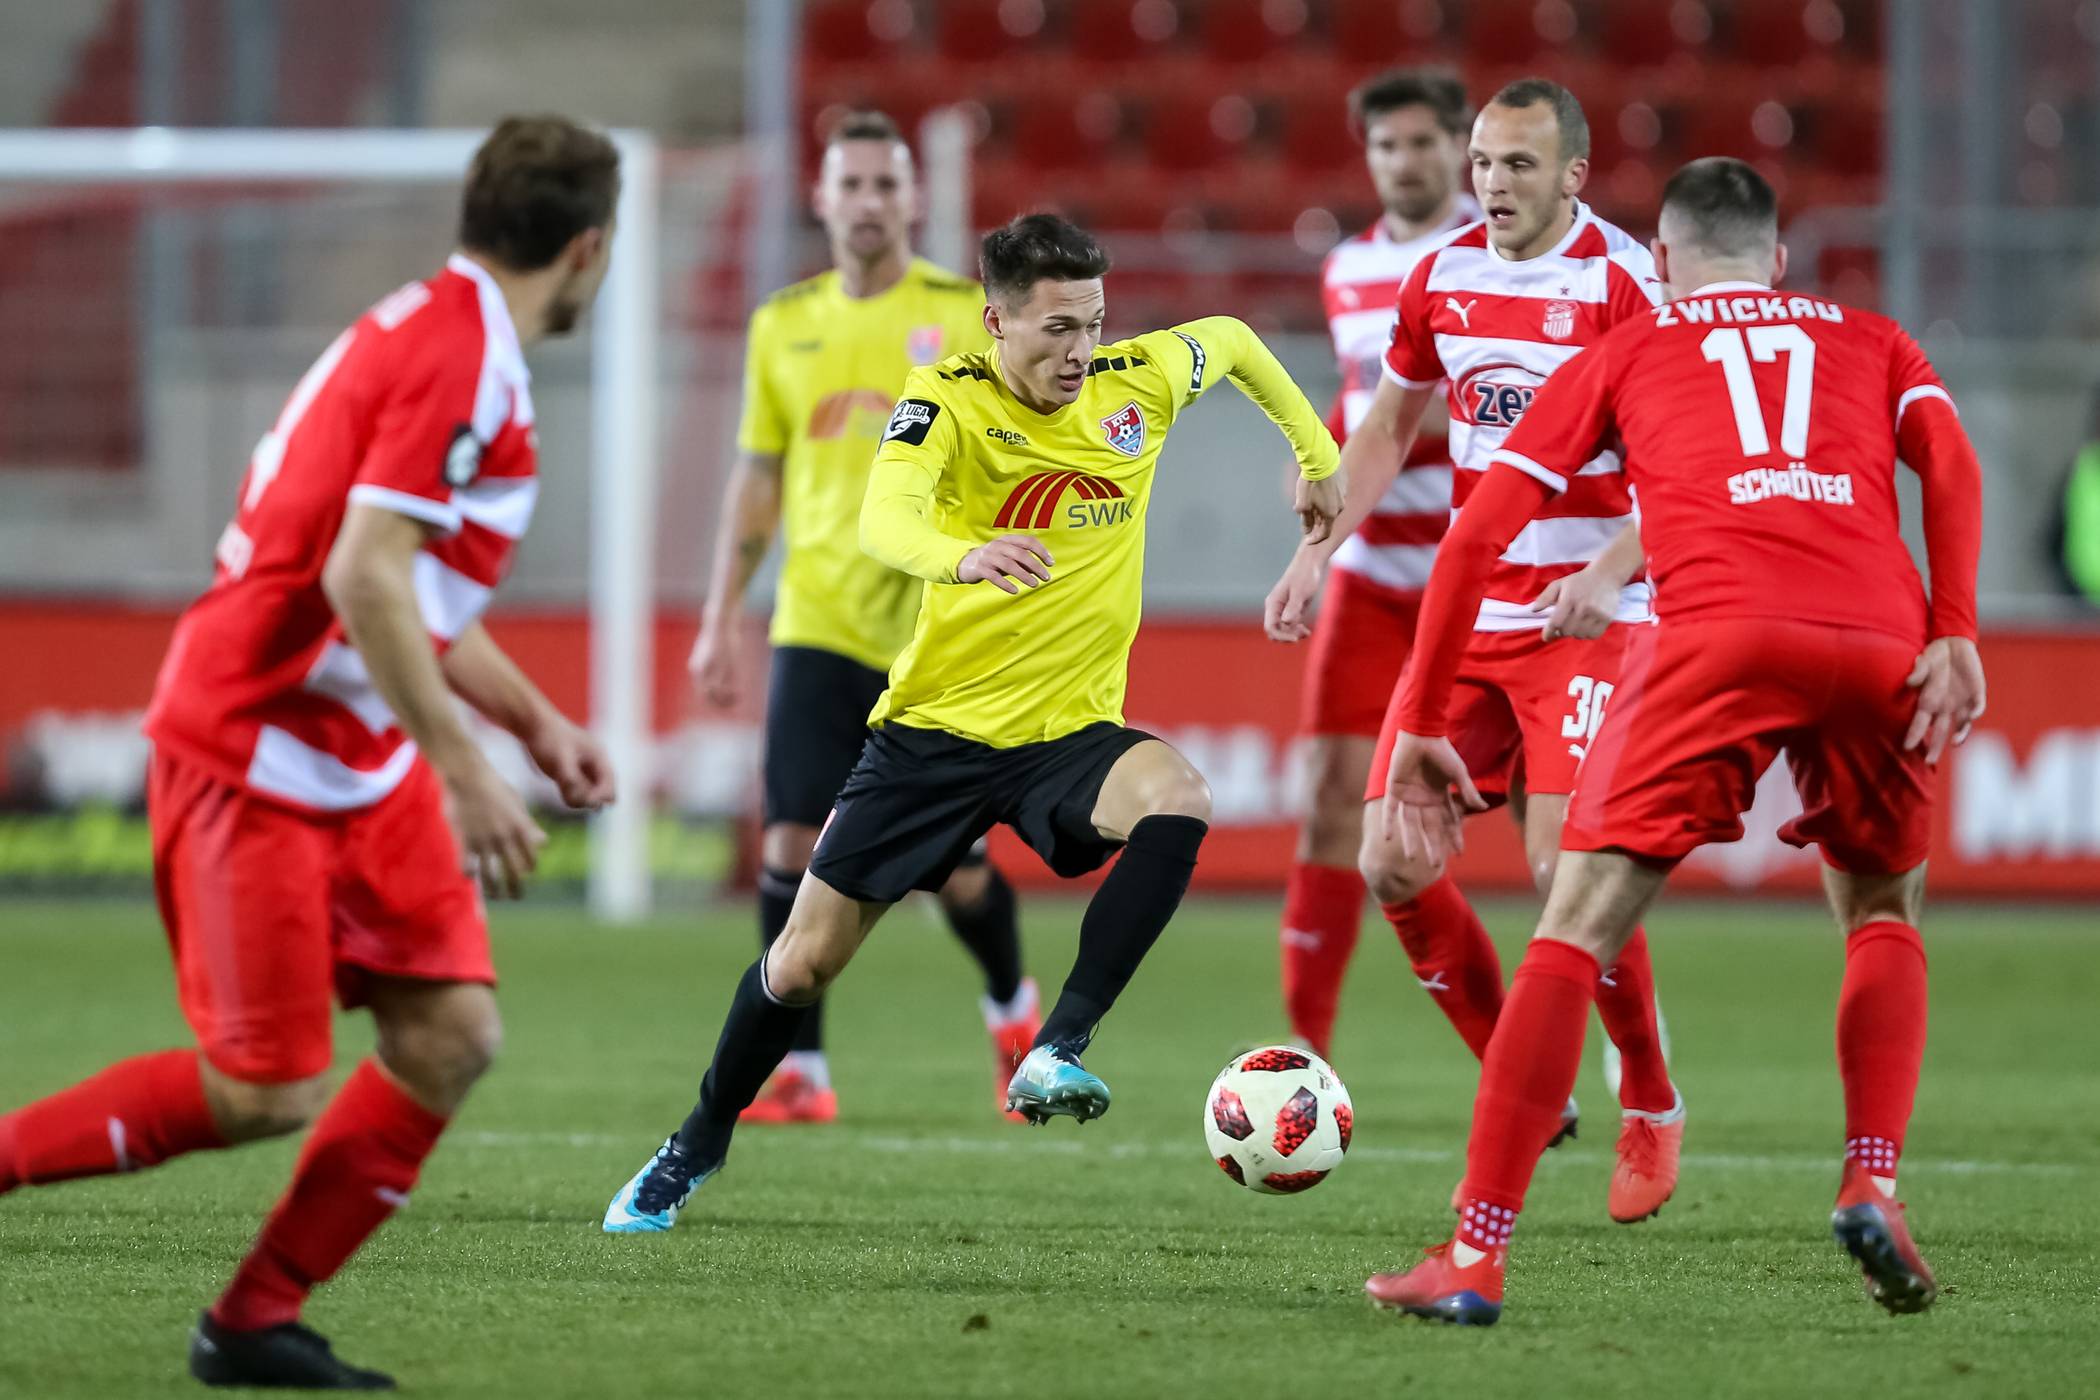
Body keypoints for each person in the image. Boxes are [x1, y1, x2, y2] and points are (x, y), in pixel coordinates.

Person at [0, 117, 621, 1388]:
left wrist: (536, 722)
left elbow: (414, 594)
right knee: (261, 1088)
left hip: (352, 747)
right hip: (257, 745)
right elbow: (363, 576)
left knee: (452, 1032)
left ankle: (251, 1320)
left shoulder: (446, 332)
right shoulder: (464, 364)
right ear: (589, 248)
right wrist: (466, 764)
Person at [604, 212, 1343, 1231]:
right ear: (995, 321)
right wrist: (966, 553)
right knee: (803, 960)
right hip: (933, 734)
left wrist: (1318, 458)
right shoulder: (945, 397)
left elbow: (1239, 341)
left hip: (1067, 734)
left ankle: (1056, 1046)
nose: (1078, 351)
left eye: (1089, 322)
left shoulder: (1138, 379)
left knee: (1180, 797)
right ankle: (696, 1139)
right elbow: (886, 516)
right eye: (1053, 329)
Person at [1364, 158, 1985, 1326]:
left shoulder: (1631, 344)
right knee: (1885, 913)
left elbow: (1474, 540)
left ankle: (1477, 1252)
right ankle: (1871, 1179)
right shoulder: (1876, 339)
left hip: (1718, 637)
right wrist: (1954, 626)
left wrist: (1425, 718)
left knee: (1574, 926)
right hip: (1880, 633)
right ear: (1781, 260)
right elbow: (1949, 462)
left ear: (1660, 263)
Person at [1268, 77, 1680, 1222]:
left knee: (1564, 869)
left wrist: (1611, 572)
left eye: (1518, 165)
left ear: (1574, 175)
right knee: (1391, 857)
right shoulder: (1438, 276)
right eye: (1485, 164)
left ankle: (1648, 1093)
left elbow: (1680, 460)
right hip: (1475, 609)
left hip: (1591, 618)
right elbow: (1391, 426)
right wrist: (1314, 550)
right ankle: (1521, 1068)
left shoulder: (1624, 280)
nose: (1493, 184)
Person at [690, 111, 1037, 1126]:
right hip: (816, 619)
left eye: (888, 184)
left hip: (930, 630)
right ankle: (802, 1069)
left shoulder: (962, 315)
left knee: (956, 871)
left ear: (914, 199)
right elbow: (757, 482)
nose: (871, 201)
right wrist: (719, 616)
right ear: (822, 197)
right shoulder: (782, 324)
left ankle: (1013, 1013)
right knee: (791, 840)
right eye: (854, 184)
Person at [1270, 67, 1479, 1061]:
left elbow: (1438, 411)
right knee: (1323, 802)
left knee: (1556, 828)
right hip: (1371, 577)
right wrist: (1322, 455)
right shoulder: (1349, 267)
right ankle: (1305, 1052)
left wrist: (1365, 441)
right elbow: (1368, 397)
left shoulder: (1494, 253)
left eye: (1422, 143)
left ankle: (1593, 1049)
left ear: (1459, 146)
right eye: (1386, 146)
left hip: (1483, 582)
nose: (1404, 161)